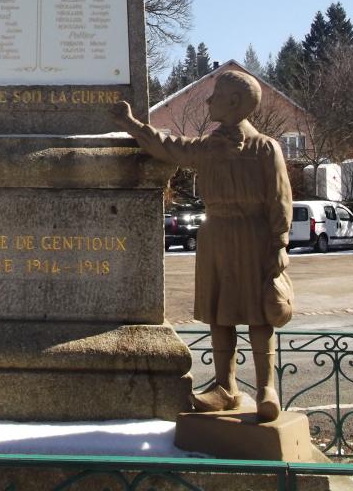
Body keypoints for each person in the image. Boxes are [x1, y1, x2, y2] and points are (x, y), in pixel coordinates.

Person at [111, 70, 293, 422]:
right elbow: (168, 146)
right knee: (220, 312)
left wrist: (279, 243)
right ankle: (226, 387)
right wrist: (132, 125)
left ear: (236, 103)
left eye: (216, 95)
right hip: (216, 234)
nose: (209, 101)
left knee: (258, 313)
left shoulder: (266, 148)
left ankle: (266, 388)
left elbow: (280, 200)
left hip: (253, 235)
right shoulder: (209, 147)